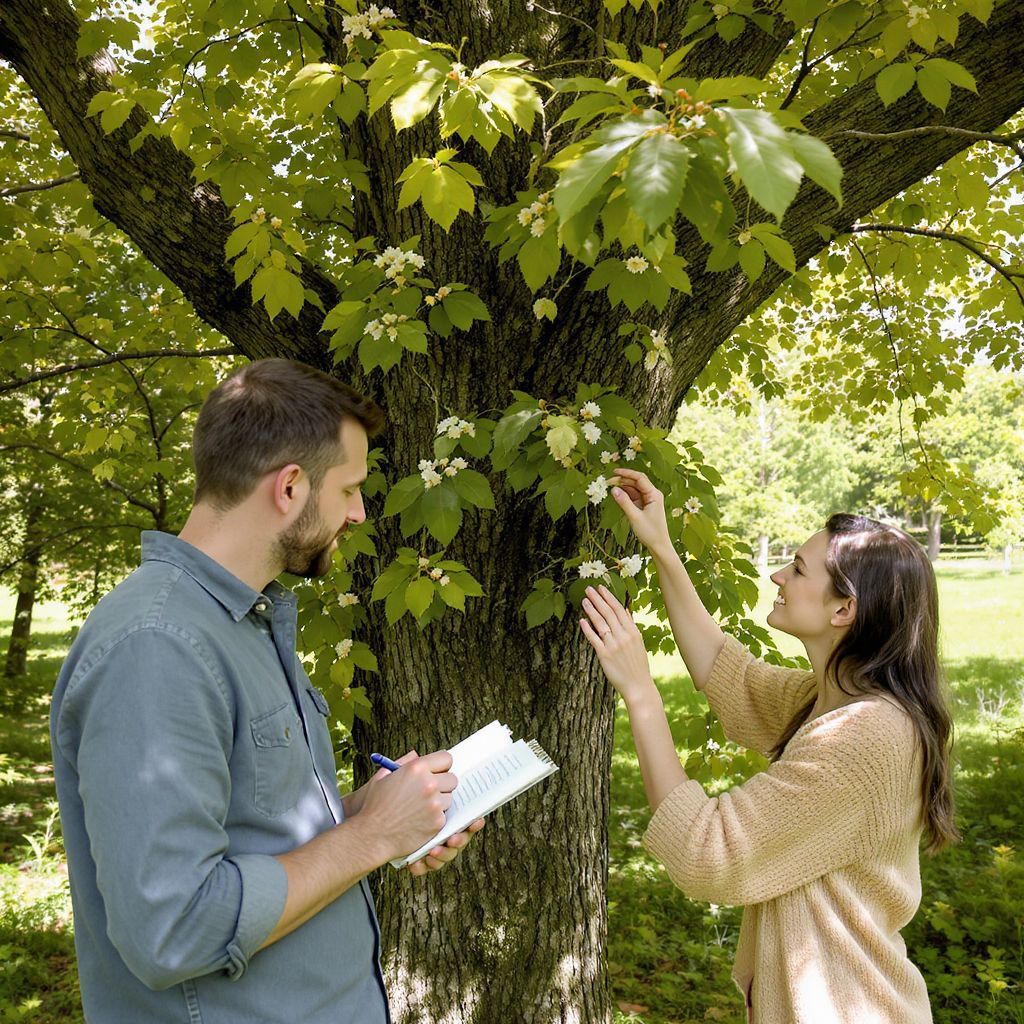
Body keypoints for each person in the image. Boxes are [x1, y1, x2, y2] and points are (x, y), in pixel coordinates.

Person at [50, 358, 483, 1023]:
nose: (361, 513)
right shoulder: (158, 646)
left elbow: (250, 831)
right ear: (289, 487)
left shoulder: (241, 620)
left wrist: (380, 813)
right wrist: (370, 837)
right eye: (349, 490)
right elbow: (172, 928)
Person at [579, 467, 957, 1024]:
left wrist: (641, 694)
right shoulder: (836, 699)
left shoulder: (867, 739)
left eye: (798, 569)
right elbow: (727, 673)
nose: (779, 575)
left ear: (843, 610)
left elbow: (708, 854)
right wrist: (660, 546)